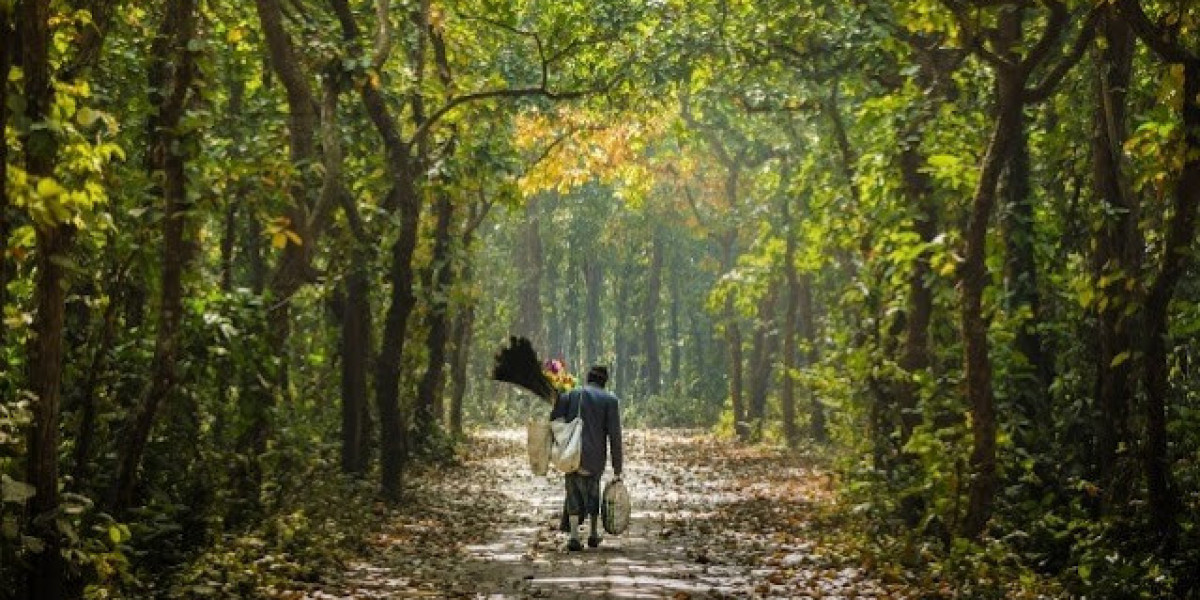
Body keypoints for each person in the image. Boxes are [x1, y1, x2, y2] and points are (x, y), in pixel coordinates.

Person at [551, 365, 623, 551]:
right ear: (604, 381)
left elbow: (556, 419)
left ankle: (574, 535)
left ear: (587, 378)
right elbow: (615, 436)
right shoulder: (610, 400)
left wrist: (557, 395)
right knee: (593, 492)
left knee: (572, 491)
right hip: (595, 456)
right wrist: (617, 467)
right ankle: (592, 533)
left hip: (571, 452)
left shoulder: (572, 395)